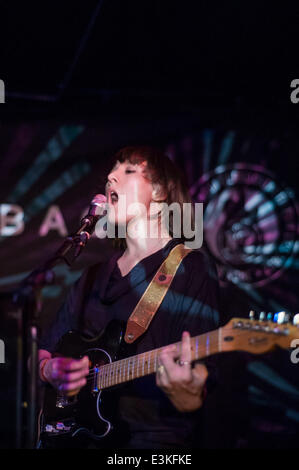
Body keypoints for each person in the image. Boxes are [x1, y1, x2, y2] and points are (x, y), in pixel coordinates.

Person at [37, 146, 220, 448]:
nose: (110, 177)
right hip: (76, 438)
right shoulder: (92, 276)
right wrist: (49, 370)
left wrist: (184, 389)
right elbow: (43, 351)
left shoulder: (191, 268)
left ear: (160, 192)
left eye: (128, 170)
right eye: (112, 171)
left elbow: (199, 391)